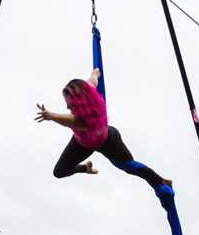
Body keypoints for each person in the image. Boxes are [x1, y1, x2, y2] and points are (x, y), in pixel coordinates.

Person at [35, 69, 171, 189]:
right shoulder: (90, 93)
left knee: (130, 166)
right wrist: (95, 72)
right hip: (90, 139)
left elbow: (68, 120)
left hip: (107, 141)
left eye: (69, 104)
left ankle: (160, 181)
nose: (67, 107)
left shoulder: (83, 121)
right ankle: (85, 168)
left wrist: (50, 115)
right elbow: (92, 81)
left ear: (79, 104)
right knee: (59, 171)